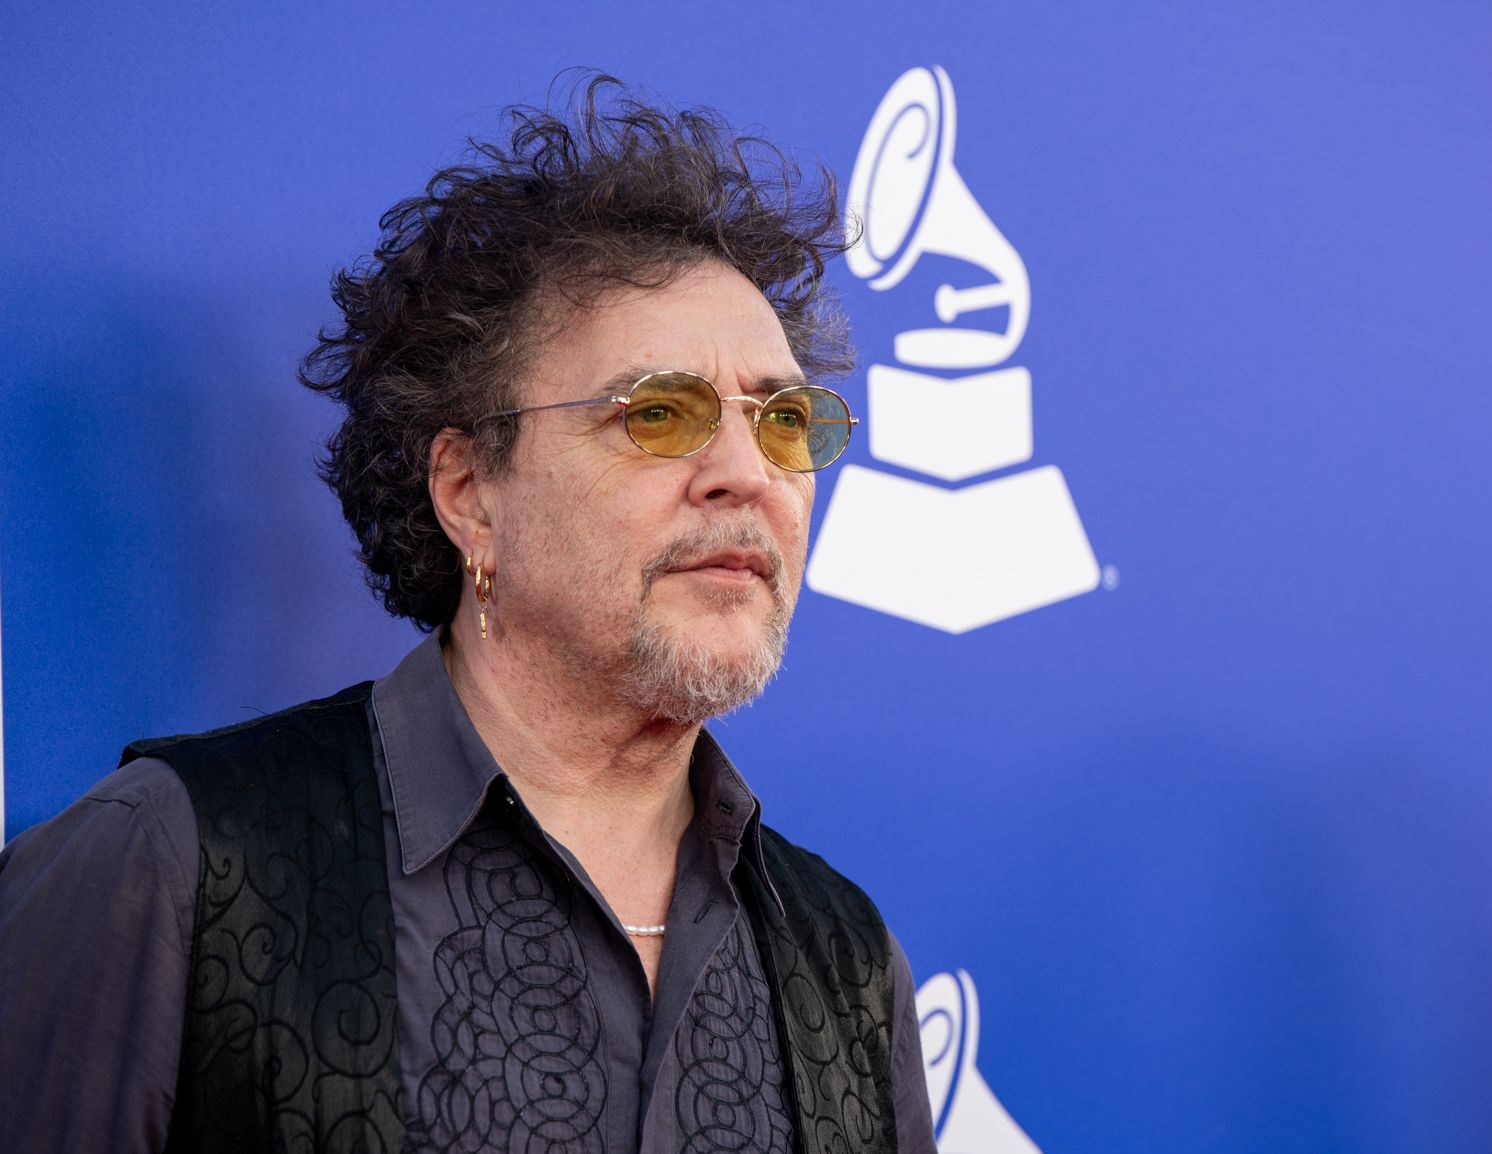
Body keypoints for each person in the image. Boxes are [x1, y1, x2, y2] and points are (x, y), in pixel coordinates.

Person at [0, 76, 937, 1154]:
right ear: (469, 493)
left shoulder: (844, 963)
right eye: (658, 413)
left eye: (783, 420)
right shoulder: (177, 863)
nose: (748, 473)